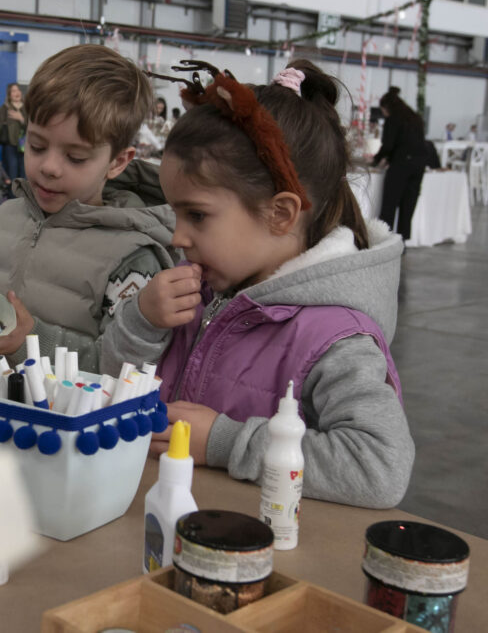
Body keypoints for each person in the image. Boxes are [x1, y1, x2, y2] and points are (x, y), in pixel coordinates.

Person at [102, 60, 414, 508]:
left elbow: (379, 467)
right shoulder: (199, 293)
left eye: (197, 215)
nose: (177, 237)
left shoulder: (335, 339)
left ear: (280, 214)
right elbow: (111, 385)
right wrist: (141, 322)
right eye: (175, 213)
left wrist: (226, 442)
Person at [0, 44, 178, 372]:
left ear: (118, 162)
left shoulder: (132, 259)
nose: (49, 167)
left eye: (75, 157)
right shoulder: (0, 222)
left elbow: (122, 372)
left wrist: (28, 342)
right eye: (37, 145)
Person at [372, 87, 426, 242]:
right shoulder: (415, 118)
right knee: (408, 205)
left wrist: (376, 160)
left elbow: (388, 145)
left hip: (402, 164)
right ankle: (402, 242)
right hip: (419, 165)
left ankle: (384, 240)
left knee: (390, 204)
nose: (383, 113)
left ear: (387, 107)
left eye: (383, 110)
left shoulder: (393, 119)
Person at [0, 82, 26, 187]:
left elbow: (34, 127)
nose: (17, 93)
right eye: (13, 91)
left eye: (18, 90)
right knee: (12, 175)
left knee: (24, 175)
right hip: (10, 147)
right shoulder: (4, 108)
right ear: (9, 94)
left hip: (25, 147)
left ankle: (24, 196)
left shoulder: (28, 108)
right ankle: (12, 196)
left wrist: (21, 119)